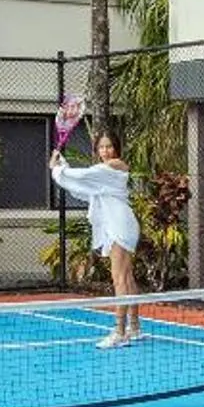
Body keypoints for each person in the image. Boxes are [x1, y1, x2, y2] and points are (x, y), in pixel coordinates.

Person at [49, 132, 144, 347]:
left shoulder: (114, 165)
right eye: (101, 147)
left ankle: (119, 332)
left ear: (117, 148)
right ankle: (135, 327)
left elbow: (82, 177)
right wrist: (61, 165)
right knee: (127, 277)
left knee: (119, 278)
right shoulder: (103, 174)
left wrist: (57, 169)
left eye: (109, 146)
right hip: (120, 222)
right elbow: (83, 187)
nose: (105, 151)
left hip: (120, 224)